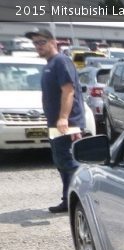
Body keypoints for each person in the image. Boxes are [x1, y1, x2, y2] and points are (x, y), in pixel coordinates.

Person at [25, 27, 86, 213]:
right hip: (56, 124)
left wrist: (63, 118)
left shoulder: (61, 61)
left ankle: (84, 200)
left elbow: (68, 91)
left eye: (42, 42)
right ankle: (68, 200)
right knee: (61, 163)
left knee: (70, 162)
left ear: (54, 42)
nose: (38, 46)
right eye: (35, 43)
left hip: (68, 124)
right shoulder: (49, 64)